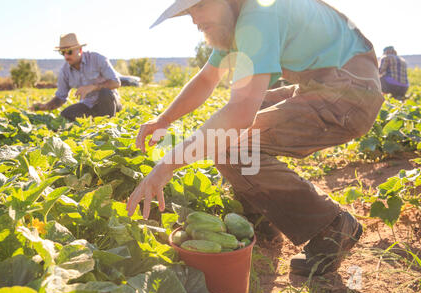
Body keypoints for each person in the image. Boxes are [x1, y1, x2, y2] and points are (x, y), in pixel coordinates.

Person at [126, 0, 385, 277]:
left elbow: (239, 114)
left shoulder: (258, 14)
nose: (194, 20)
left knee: (231, 145)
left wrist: (165, 167)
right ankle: (263, 216)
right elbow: (207, 78)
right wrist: (164, 120)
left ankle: (333, 226)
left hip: (351, 93)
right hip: (326, 86)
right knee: (230, 130)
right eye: (190, 11)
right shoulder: (241, 18)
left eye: (199, 7)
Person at [31, 33, 122, 121]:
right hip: (89, 105)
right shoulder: (65, 71)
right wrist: (44, 106)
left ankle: (108, 125)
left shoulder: (97, 59)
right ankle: (93, 122)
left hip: (110, 103)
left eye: (69, 52)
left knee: (105, 93)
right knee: (65, 114)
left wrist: (93, 87)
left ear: (80, 50)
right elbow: (60, 97)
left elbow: (116, 82)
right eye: (62, 53)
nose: (66, 56)